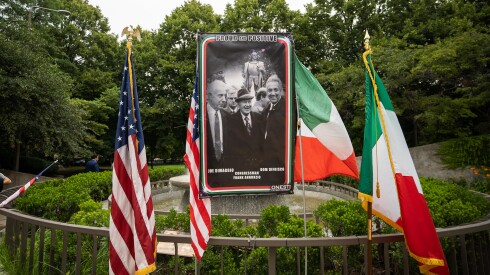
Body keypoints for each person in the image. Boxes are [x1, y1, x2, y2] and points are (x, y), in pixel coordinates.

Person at [225, 88, 265, 171]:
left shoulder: (259, 118)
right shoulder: (230, 121)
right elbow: (229, 148)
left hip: (257, 169)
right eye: (244, 102)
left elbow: (263, 144)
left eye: (249, 102)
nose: (247, 105)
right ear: (238, 104)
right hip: (239, 169)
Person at [262, 75, 286, 169]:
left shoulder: (287, 109)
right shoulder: (266, 108)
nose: (272, 93)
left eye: (275, 90)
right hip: (267, 161)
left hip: (281, 162)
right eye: (269, 90)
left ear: (280, 90)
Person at [206, 79, 229, 168]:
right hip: (206, 166)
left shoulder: (227, 116)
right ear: (210, 96)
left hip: (225, 166)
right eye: (220, 95)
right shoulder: (200, 116)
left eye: (225, 96)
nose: (224, 100)